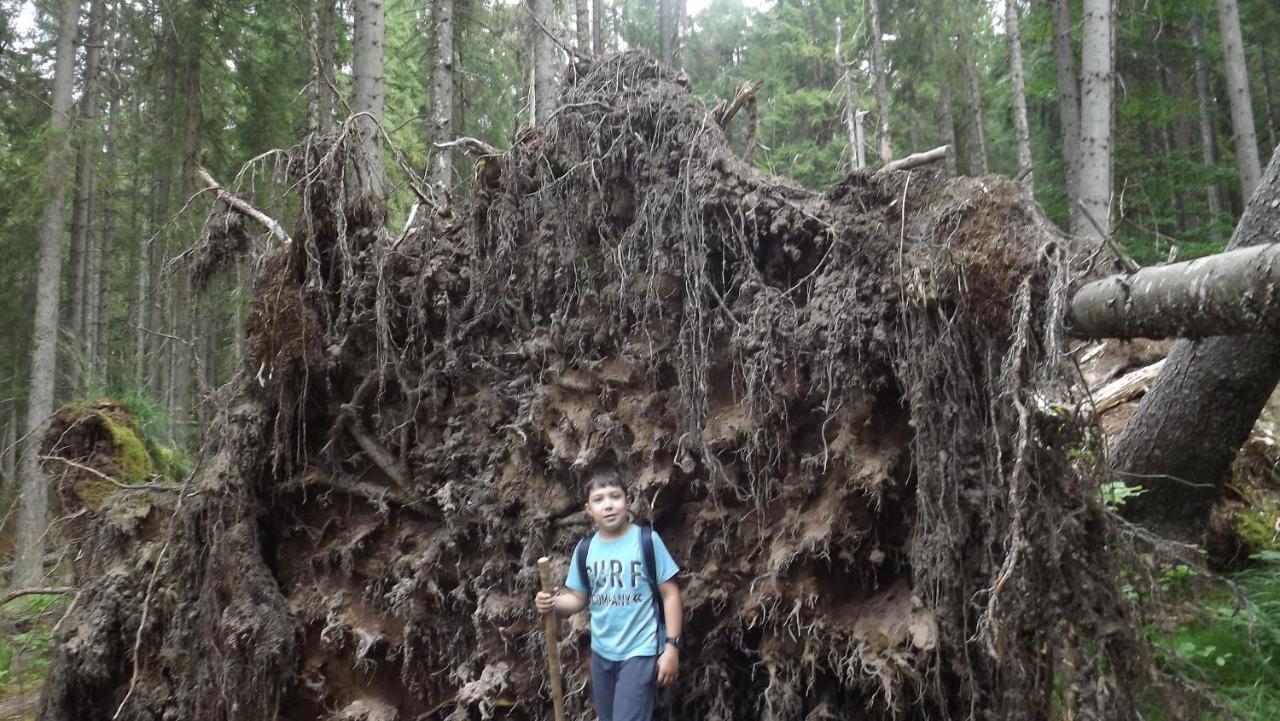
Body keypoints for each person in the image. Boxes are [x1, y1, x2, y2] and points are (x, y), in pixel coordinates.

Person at [534, 465, 684, 721]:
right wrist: (551, 602)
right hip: (602, 653)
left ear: (628, 501)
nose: (608, 505)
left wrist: (672, 648)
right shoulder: (585, 549)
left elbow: (670, 594)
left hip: (640, 651)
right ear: (588, 510)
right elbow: (578, 599)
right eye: (599, 500)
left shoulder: (646, 541)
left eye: (615, 497)